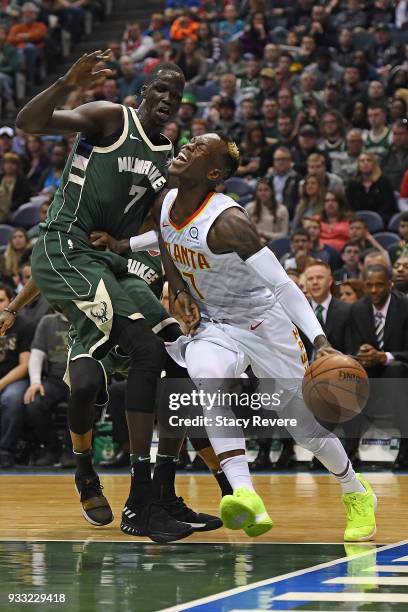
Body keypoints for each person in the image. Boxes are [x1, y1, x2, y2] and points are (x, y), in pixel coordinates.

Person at [6, 52, 207, 543]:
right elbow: (27, 121)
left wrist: (176, 286)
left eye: (175, 96)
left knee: (177, 354)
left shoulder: (167, 155)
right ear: (143, 92)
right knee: (94, 379)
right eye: (159, 90)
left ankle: (162, 491)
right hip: (66, 252)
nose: (167, 100)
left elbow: (155, 233)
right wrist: (66, 82)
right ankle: (101, 482)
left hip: (109, 266)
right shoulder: (108, 117)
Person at [159, 132, 377, 541]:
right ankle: (245, 493)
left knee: (304, 430)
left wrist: (319, 341)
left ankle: (355, 489)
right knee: (208, 383)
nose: (185, 146)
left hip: (264, 324)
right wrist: (180, 288)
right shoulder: (166, 201)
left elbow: (283, 286)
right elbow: (165, 244)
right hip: (216, 323)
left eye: (198, 149)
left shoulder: (228, 223)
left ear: (213, 173)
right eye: (189, 141)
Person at [0, 283, 33, 468]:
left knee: (11, 399)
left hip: (15, 379)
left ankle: (5, 451)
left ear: (10, 302)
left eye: (1, 300)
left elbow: (25, 365)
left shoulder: (24, 326)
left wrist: (1, 383)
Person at [245, 177, 289, 243]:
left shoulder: (282, 210)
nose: (263, 193)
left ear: (272, 191)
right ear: (256, 192)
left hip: (274, 244)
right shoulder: (249, 207)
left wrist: (264, 234)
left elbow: (284, 234)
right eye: (260, 190)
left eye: (266, 190)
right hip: (253, 243)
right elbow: (245, 230)